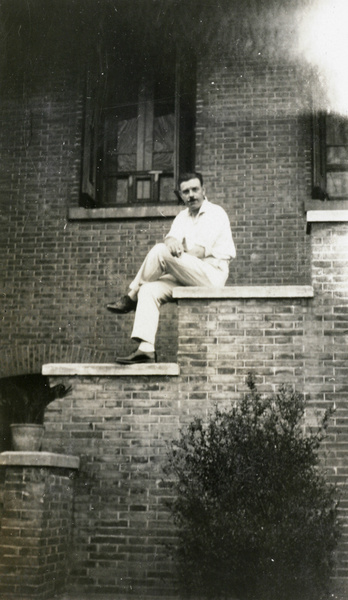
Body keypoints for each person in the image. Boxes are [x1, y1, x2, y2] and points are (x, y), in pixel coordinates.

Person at [107, 172, 236, 363]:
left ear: (204, 190)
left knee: (160, 251)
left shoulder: (215, 213)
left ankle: (130, 296)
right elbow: (170, 237)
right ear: (181, 195)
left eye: (195, 189)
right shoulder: (182, 216)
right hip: (188, 273)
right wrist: (172, 241)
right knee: (149, 289)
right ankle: (146, 350)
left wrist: (170, 258)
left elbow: (198, 252)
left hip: (211, 275)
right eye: (186, 192)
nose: (191, 195)